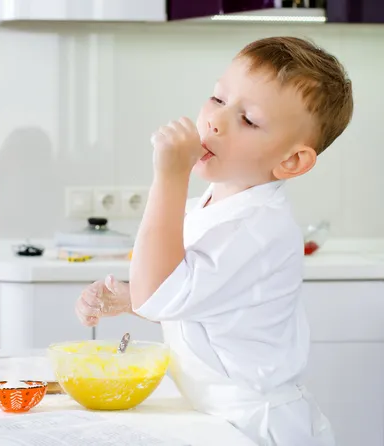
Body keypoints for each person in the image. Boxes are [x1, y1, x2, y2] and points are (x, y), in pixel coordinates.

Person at [75, 36, 353, 446]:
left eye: (249, 120)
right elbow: (196, 297)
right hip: (213, 417)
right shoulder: (212, 204)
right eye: (218, 98)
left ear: (291, 161)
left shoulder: (258, 228)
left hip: (254, 427)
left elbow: (161, 294)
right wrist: (128, 297)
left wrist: (169, 175)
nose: (215, 121)